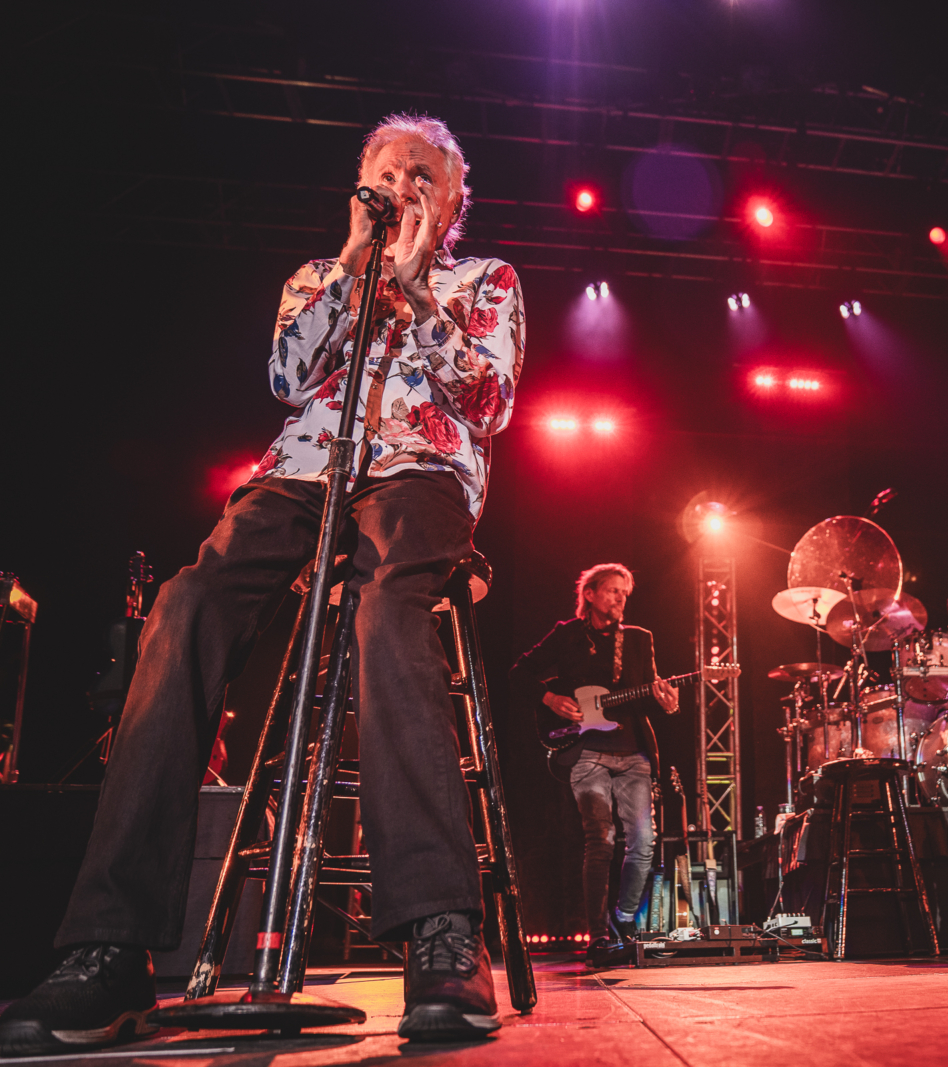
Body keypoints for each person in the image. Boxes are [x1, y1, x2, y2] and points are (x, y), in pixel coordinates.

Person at [0, 113, 524, 1055]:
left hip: (420, 474)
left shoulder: (482, 281)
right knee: (185, 604)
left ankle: (443, 929)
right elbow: (288, 374)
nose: (404, 186)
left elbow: (490, 398)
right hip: (302, 472)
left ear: (452, 202)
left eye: (424, 177)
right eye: (387, 174)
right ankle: (109, 949)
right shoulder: (317, 279)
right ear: (361, 189)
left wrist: (412, 290)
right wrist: (356, 263)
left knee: (387, 614)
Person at [509, 564, 679, 966]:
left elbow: (650, 690)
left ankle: (621, 920)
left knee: (642, 843)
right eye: (613, 591)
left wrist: (667, 701)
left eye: (625, 593)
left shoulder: (639, 639)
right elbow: (519, 672)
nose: (620, 598)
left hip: (634, 753)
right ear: (590, 594)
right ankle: (599, 938)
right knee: (599, 840)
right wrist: (550, 699)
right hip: (586, 753)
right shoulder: (567, 634)